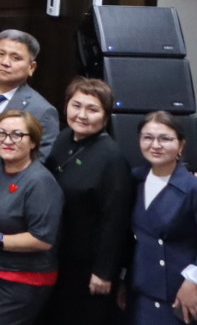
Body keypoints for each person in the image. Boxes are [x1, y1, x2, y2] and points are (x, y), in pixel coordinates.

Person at [40, 77, 129, 325]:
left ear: (106, 116)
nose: (82, 115)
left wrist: (104, 272)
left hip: (87, 267)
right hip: (57, 256)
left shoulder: (112, 158)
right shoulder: (63, 138)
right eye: (76, 105)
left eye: (92, 109)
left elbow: (115, 221)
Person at [0, 109, 63, 325]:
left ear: (33, 142)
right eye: (1, 133)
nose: (7, 140)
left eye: (17, 135)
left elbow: (42, 239)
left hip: (24, 280)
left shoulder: (40, 182)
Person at [128, 111, 197, 325]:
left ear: (181, 145)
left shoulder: (193, 188)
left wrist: (193, 281)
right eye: (147, 137)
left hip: (182, 296)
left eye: (165, 138)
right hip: (143, 291)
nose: (155, 145)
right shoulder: (135, 179)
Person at [0, 30, 61, 156]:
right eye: (0, 54)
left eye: (15, 58)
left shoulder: (42, 111)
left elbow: (40, 159)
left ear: (31, 67)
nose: (5, 62)